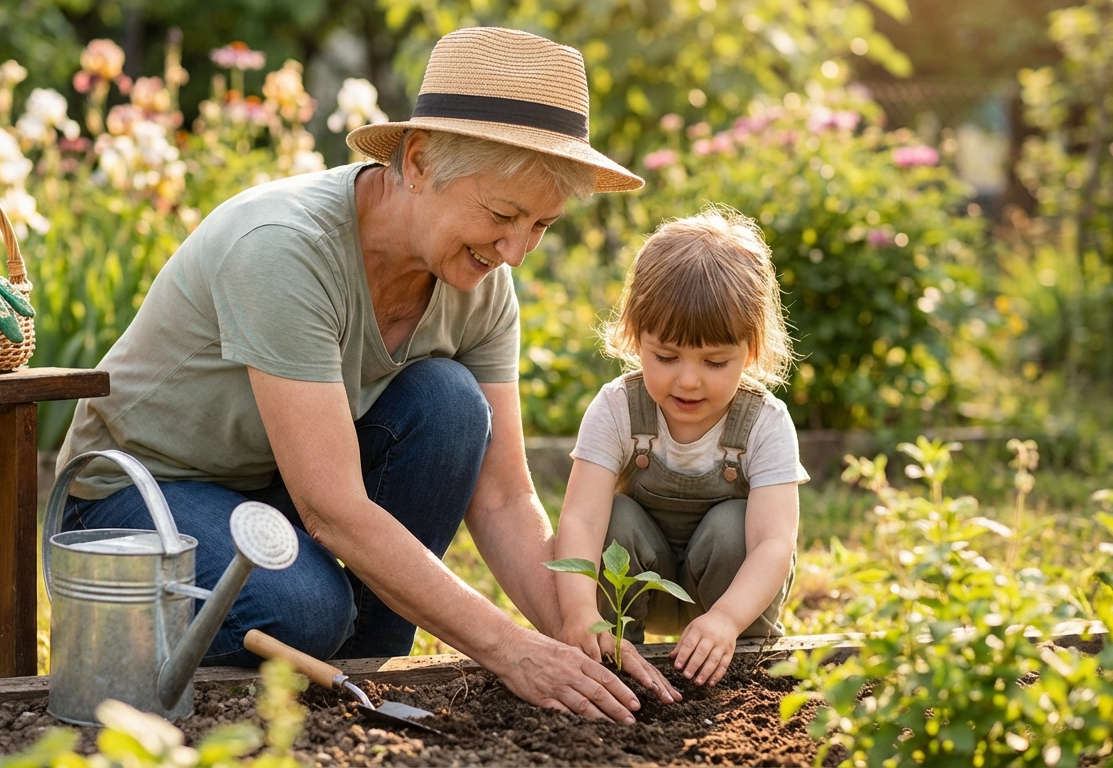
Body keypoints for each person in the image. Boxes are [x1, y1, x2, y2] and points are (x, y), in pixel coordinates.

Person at [54, 27, 672, 722]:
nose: (516, 251)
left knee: (450, 404)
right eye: (502, 215)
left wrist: (580, 638)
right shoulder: (284, 249)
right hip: (134, 502)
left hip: (268, 494)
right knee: (306, 610)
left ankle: (367, 676)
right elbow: (331, 508)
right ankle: (317, 648)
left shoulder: (481, 283)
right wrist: (507, 649)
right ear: (419, 161)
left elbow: (503, 497)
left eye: (542, 226)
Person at [553, 207, 808, 689]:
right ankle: (613, 658)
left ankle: (740, 668)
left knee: (733, 528)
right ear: (636, 338)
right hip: (642, 585)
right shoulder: (618, 409)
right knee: (614, 517)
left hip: (731, 600)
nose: (688, 381)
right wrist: (579, 613)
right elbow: (580, 519)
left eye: (715, 362)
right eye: (666, 357)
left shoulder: (765, 422)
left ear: (751, 351)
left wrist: (727, 618)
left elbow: (774, 543)